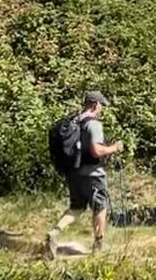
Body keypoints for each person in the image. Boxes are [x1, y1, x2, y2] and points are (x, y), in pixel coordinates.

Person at [48, 91, 121, 256]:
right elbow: (96, 151)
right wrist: (114, 148)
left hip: (73, 173)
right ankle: (98, 246)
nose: (101, 109)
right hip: (93, 174)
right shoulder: (93, 124)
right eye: (101, 106)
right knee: (100, 207)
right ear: (95, 104)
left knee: (77, 207)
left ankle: (53, 233)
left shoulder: (75, 121)